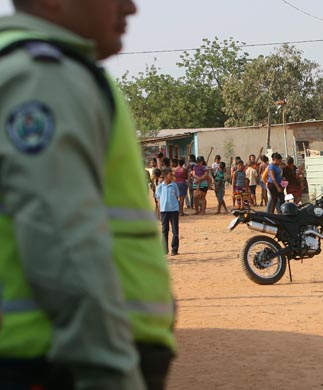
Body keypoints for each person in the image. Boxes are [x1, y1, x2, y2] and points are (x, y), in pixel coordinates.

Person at [0, 1, 175, 388]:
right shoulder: (44, 77)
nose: (130, 8)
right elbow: (61, 240)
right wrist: (109, 371)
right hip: (59, 364)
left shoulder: (40, 71)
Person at [155, 168, 180, 255]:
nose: (172, 177)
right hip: (164, 211)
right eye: (170, 175)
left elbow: (177, 196)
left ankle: (174, 249)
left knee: (175, 231)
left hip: (174, 210)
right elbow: (158, 198)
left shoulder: (174, 185)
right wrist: (159, 209)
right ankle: (164, 249)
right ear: (166, 177)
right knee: (164, 230)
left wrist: (175, 206)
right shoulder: (160, 187)